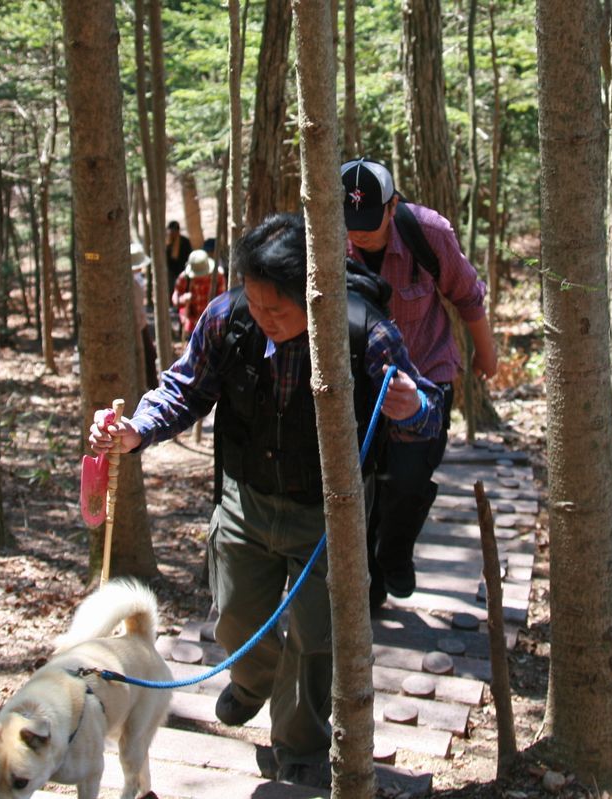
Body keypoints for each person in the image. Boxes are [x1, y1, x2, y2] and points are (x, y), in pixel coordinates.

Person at [88, 212, 443, 788]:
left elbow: (421, 409)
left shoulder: (363, 332)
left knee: (312, 638)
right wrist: (136, 431)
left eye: (278, 309)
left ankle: (298, 744)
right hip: (244, 500)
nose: (264, 319)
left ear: (314, 292)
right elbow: (185, 388)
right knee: (232, 617)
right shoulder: (226, 319)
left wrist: (414, 407)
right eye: (255, 303)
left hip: (328, 515)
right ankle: (252, 680)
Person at [340, 157, 499, 607]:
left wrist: (486, 354)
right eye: (351, 222)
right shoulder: (325, 237)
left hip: (425, 377)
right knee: (360, 485)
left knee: (407, 482)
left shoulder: (428, 233)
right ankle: (367, 585)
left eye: (370, 222)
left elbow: (467, 294)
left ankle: (395, 553)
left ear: (393, 206)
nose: (359, 234)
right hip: (359, 389)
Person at [171, 248, 225, 339]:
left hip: (212, 321)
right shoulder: (184, 278)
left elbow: (222, 301)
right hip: (191, 322)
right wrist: (183, 299)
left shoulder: (218, 277)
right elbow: (175, 298)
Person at [131, 241, 159, 390]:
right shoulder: (132, 284)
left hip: (141, 325)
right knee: (148, 358)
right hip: (137, 328)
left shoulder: (137, 280)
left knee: (150, 357)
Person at [165, 220, 193, 297]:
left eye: (174, 232)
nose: (172, 234)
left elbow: (189, 255)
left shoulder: (185, 242)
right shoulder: (167, 243)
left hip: (182, 269)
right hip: (171, 272)